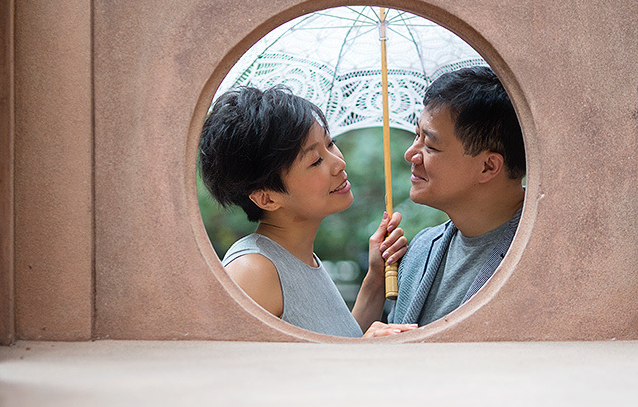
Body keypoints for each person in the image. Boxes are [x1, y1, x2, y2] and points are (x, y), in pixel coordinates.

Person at [199, 85, 417, 338]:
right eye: (315, 161)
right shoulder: (253, 270)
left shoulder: (300, 258)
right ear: (266, 198)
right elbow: (239, 373)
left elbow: (341, 340)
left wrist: (375, 276)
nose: (339, 162)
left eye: (330, 143)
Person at [390, 66, 526, 326]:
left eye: (429, 145)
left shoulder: (538, 252)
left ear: (488, 166)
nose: (410, 154)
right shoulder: (420, 249)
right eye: (416, 136)